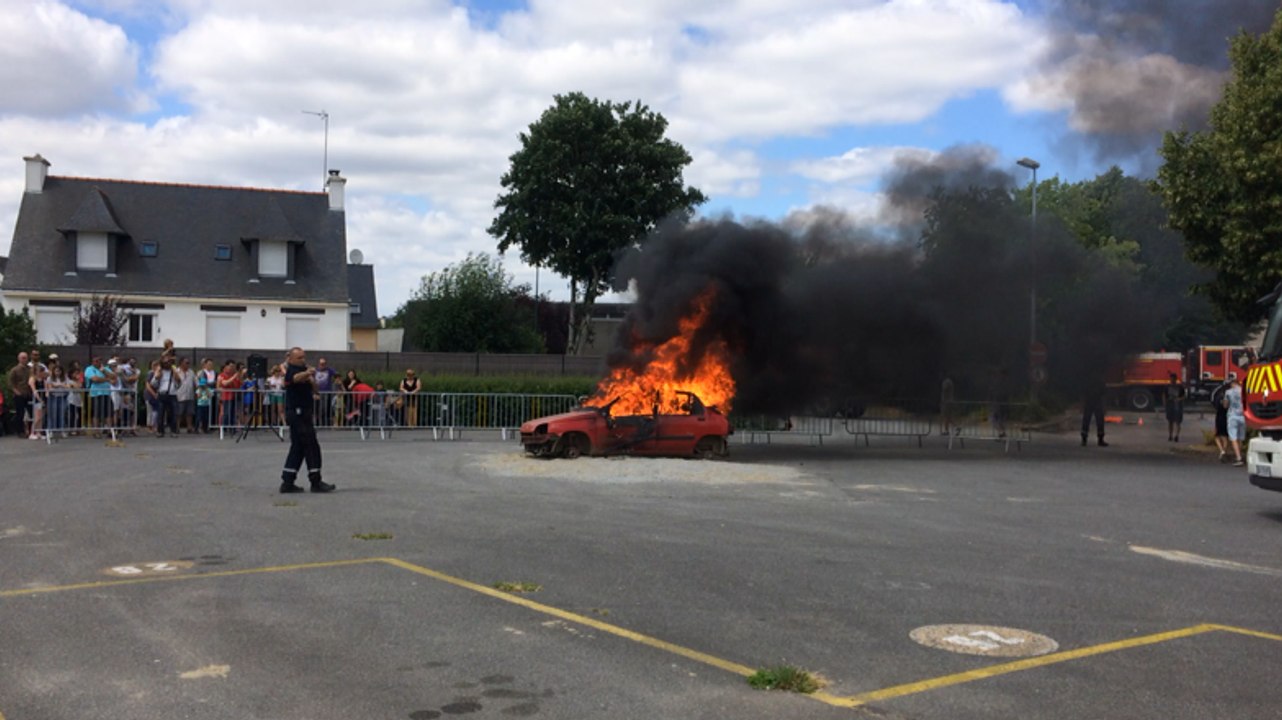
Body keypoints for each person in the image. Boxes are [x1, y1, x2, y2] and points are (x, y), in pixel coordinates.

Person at [279, 347, 334, 493]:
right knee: (311, 445)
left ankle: (287, 481)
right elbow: (292, 379)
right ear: (291, 359)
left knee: (298, 447)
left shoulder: (305, 371)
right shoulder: (291, 370)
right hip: (297, 412)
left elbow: (316, 390)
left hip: (305, 412)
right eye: (299, 358)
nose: (303, 360)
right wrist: (307, 373)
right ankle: (316, 481)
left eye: (304, 357)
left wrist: (311, 379)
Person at [84, 357, 116, 438]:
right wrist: (107, 379)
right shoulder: (89, 369)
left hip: (106, 393)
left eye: (99, 360)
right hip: (96, 394)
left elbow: (114, 377)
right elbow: (95, 379)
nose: (97, 362)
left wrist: (104, 371)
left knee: (109, 413)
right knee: (96, 413)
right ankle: (96, 431)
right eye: (96, 361)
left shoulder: (105, 368)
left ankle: (110, 431)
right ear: (93, 362)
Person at [151, 356, 180, 437]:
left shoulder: (174, 371)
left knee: (173, 414)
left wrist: (176, 375)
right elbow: (153, 383)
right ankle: (160, 431)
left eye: (169, 362)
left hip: (172, 394)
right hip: (162, 394)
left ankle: (173, 431)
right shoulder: (160, 371)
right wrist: (157, 376)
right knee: (160, 414)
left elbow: (179, 383)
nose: (167, 364)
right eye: (165, 362)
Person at [8, 352, 32, 437]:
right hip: (19, 394)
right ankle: (20, 431)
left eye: (26, 358)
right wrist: (16, 392)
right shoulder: (14, 370)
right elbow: (10, 383)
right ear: (19, 359)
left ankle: (31, 430)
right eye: (23, 358)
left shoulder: (30, 369)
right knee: (20, 414)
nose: (25, 359)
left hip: (29, 394)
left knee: (32, 413)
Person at [45, 363, 71, 438]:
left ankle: (62, 430)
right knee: (52, 414)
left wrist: (58, 385)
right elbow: (50, 388)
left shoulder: (65, 378)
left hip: (62, 397)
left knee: (62, 414)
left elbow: (68, 387)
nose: (57, 373)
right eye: (56, 371)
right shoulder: (49, 378)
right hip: (53, 397)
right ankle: (51, 431)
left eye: (59, 371)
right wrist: (60, 385)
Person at [1081, 380, 1109, 447]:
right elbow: (1104, 394)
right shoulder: (1100, 380)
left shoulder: (1087, 380)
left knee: (1086, 420)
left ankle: (1084, 440)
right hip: (1097, 402)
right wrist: (1104, 406)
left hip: (1089, 402)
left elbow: (1083, 393)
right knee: (1099, 421)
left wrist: (1082, 404)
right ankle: (1100, 440)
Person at [1226, 374, 1246, 466]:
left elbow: (1225, 405)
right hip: (1243, 416)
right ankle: (1240, 455)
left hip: (1233, 416)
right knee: (1240, 437)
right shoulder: (1244, 391)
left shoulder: (1228, 392)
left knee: (1233, 438)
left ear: (1232, 383)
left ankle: (1238, 458)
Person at [1211, 377, 1232, 462]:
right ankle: (1224, 451)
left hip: (1219, 416)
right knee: (1225, 436)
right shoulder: (1230, 395)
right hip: (1227, 416)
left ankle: (1222, 451)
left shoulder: (1218, 395)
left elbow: (1213, 402)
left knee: (1217, 435)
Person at [314, 357, 338, 427]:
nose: (322, 365)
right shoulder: (315, 370)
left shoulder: (329, 370)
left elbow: (337, 375)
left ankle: (333, 423)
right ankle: (318, 423)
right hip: (318, 392)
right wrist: (314, 392)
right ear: (318, 364)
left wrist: (336, 381)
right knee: (317, 407)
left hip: (327, 392)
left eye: (324, 364)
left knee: (328, 407)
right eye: (321, 364)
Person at [175, 357, 196, 433]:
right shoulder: (176, 371)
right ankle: (177, 427)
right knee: (179, 412)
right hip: (179, 395)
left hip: (189, 394)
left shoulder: (191, 372)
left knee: (189, 412)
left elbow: (195, 382)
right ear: (181, 363)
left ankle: (189, 427)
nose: (188, 364)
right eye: (186, 363)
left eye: (188, 363)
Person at [1164, 373, 1185, 442]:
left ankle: (1177, 436)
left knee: (1178, 422)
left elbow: (1184, 396)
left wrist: (1179, 399)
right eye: (1171, 379)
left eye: (1173, 379)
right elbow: (1164, 395)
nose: (1172, 380)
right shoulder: (1167, 386)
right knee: (1170, 422)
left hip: (1178, 406)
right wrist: (1165, 403)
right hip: (1170, 406)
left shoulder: (1180, 387)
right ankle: (1170, 435)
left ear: (1175, 379)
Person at [67, 360, 84, 435]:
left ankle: (78, 429)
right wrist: (77, 385)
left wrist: (79, 381)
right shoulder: (69, 381)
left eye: (78, 373)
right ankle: (71, 429)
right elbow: (75, 387)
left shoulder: (79, 381)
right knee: (72, 415)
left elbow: (80, 387)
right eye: (75, 374)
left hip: (79, 400)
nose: (77, 375)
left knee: (79, 414)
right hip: (71, 400)